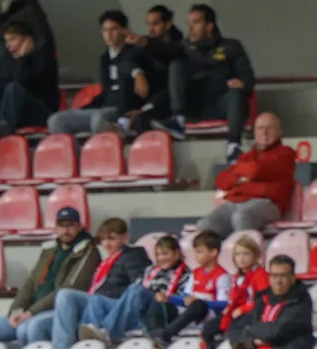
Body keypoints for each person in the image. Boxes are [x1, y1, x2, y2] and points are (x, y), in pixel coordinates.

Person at [183, 254, 312, 349]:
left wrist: (250, 330)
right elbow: (235, 328)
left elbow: (278, 329)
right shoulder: (263, 298)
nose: (278, 281)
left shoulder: (301, 301)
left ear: (292, 278)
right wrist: (253, 342)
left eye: (283, 276)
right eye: (274, 276)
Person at [40, 218, 151, 349]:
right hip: (99, 303)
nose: (106, 244)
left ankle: (91, 341)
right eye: (104, 239)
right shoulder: (106, 260)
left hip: (116, 305)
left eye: (112, 238)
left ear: (125, 238)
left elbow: (137, 288)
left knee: (96, 300)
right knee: (64, 297)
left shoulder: (133, 254)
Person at [151, 3, 254, 161]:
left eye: (196, 23)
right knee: (176, 64)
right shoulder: (183, 47)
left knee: (235, 91)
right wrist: (144, 43)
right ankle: (177, 119)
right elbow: (161, 52)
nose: (190, 28)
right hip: (196, 107)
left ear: (210, 26)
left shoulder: (231, 46)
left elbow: (248, 78)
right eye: (189, 23)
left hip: (222, 104)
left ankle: (233, 145)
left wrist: (242, 84)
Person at [0, 208, 99, 348]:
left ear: (79, 227)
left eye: (70, 225)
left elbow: (69, 288)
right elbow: (30, 284)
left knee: (30, 329)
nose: (65, 230)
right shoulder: (49, 250)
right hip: (33, 311)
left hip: (59, 312)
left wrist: (31, 312)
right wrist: (16, 310)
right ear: (55, 227)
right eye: (61, 225)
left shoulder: (88, 251)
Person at [48, 11, 152, 137]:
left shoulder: (135, 53)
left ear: (124, 30)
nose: (108, 35)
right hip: (105, 107)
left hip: (123, 110)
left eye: (113, 29)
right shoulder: (105, 58)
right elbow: (106, 92)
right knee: (57, 120)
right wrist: (84, 108)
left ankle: (110, 153)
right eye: (104, 30)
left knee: (99, 119)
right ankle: (78, 155)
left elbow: (131, 70)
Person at [77, 234, 190, 347]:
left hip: (161, 309)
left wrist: (169, 298)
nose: (161, 258)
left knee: (136, 289)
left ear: (177, 253)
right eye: (158, 255)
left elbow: (185, 302)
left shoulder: (187, 274)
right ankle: (91, 341)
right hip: (141, 308)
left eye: (165, 254)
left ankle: (108, 332)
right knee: (98, 300)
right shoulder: (150, 270)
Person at [196, 113, 295, 236]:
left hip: (268, 204)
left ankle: (247, 254)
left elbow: (256, 170)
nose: (264, 132)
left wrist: (239, 179)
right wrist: (243, 178)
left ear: (279, 131)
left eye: (269, 128)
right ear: (254, 132)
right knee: (205, 225)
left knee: (241, 216)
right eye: (260, 128)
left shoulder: (286, 153)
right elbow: (221, 180)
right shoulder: (247, 156)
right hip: (237, 202)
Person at [149, 230, 231, 349]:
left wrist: (201, 301)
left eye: (199, 252)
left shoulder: (222, 276)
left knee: (198, 305)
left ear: (213, 252)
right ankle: (154, 332)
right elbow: (185, 298)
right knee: (160, 302)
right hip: (191, 313)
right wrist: (168, 298)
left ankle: (166, 334)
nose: (196, 256)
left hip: (209, 314)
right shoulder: (195, 273)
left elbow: (224, 304)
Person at [0, 20, 59, 137]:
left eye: (12, 39)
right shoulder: (9, 60)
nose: (8, 45)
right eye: (6, 41)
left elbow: (22, 81)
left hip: (43, 111)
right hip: (17, 112)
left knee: (13, 88)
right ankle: (1, 130)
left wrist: (23, 57)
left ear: (27, 39)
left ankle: (3, 133)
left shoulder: (44, 57)